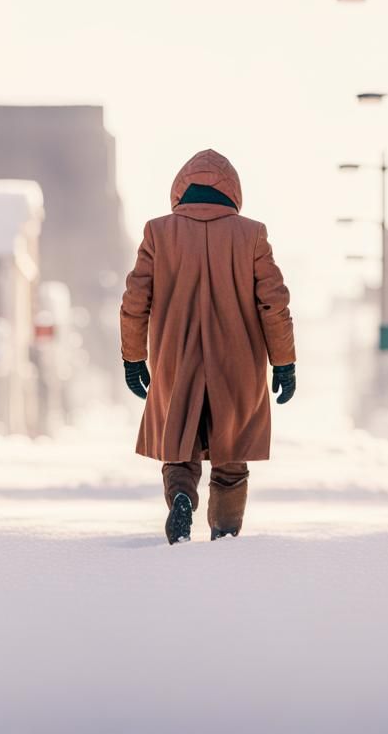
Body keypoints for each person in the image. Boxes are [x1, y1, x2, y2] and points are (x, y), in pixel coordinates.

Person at [120, 149, 296, 544]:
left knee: (179, 443)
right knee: (230, 452)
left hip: (175, 359)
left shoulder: (158, 232)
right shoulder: (252, 234)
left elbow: (135, 300)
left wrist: (134, 357)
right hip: (237, 363)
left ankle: (182, 495)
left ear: (181, 188)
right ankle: (225, 532)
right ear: (233, 191)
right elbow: (274, 302)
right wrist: (284, 362)